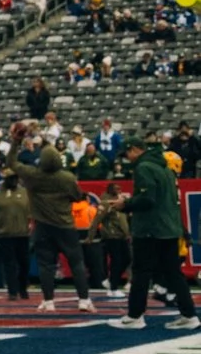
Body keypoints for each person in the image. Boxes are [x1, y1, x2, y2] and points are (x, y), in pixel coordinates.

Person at [111, 138, 199, 329]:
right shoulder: (165, 168)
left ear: (135, 149)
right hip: (169, 228)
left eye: (128, 153)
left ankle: (135, 316)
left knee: (142, 272)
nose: (127, 157)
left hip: (150, 228)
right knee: (174, 274)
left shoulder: (144, 168)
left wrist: (125, 204)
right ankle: (189, 315)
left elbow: (147, 199)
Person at [21, 144, 95, 313]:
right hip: (65, 226)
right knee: (76, 263)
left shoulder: (33, 176)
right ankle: (83, 300)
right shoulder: (67, 177)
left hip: (42, 226)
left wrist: (16, 143)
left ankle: (48, 301)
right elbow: (77, 196)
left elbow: (12, 163)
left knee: (46, 265)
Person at [0, 169, 34, 299]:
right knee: (9, 264)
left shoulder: (25, 193)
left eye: (15, 178)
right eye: (11, 178)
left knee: (24, 263)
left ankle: (23, 287)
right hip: (5, 234)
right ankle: (12, 291)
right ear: (5, 179)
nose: (14, 181)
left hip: (23, 233)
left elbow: (32, 212)